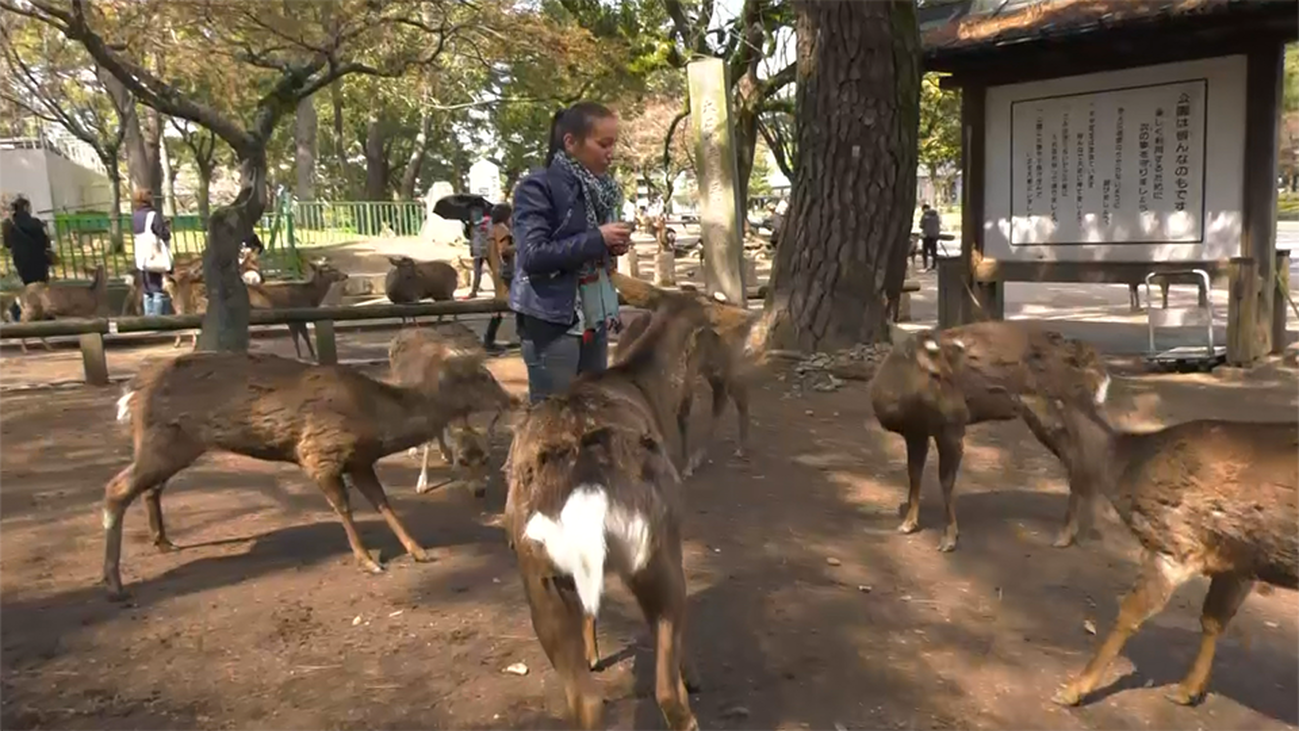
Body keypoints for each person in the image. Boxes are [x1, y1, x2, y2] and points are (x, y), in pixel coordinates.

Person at [510, 101, 630, 403]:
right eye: (603, 144)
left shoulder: (601, 191)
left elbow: (590, 250)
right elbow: (532, 256)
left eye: (613, 144)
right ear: (571, 143)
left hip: (594, 316)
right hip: (552, 321)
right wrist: (596, 238)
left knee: (591, 412)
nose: (610, 152)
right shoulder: (536, 187)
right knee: (553, 419)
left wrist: (610, 247)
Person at [2, 195, 54, 320]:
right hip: (39, 261)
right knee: (38, 288)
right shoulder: (36, 223)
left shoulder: (9, 226)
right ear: (26, 207)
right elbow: (45, 242)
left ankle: (39, 312)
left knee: (33, 289)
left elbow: (7, 244)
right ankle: (41, 312)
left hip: (22, 263)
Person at [131, 188, 173, 316]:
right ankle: (156, 318)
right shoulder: (152, 215)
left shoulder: (135, 216)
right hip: (154, 255)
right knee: (157, 289)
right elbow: (163, 233)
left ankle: (148, 317)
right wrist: (167, 231)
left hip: (141, 256)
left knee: (147, 289)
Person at [483, 203, 515, 353]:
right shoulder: (503, 230)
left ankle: (489, 339)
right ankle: (489, 340)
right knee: (509, 304)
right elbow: (505, 251)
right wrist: (520, 246)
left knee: (500, 305)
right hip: (505, 272)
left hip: (496, 271)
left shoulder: (492, 230)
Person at [466, 206, 490, 298]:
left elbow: (470, 237)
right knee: (480, 271)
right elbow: (469, 237)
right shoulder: (486, 221)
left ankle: (474, 291)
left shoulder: (481, 223)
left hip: (481, 249)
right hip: (483, 248)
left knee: (478, 271)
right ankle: (474, 291)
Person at [919, 202, 941, 271]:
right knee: (933, 250)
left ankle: (925, 265)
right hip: (935, 235)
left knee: (925, 251)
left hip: (926, 235)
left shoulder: (924, 216)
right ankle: (934, 265)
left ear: (924, 209)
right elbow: (939, 224)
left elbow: (921, 226)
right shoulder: (936, 215)